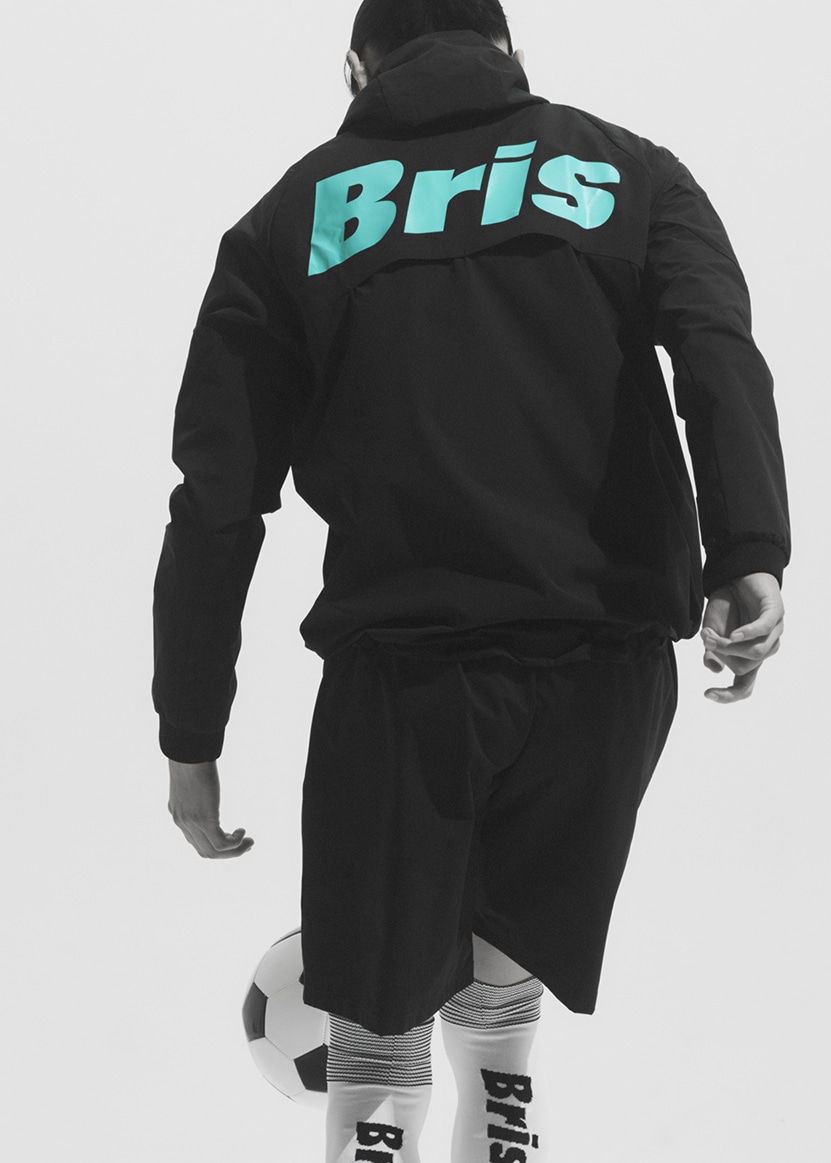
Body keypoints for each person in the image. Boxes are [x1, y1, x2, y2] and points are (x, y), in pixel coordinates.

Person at [153, 1, 790, 1159]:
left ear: (356, 70)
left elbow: (218, 496)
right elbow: (716, 346)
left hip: (409, 677)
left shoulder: (292, 218)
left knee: (377, 1030)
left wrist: (191, 729)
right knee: (501, 992)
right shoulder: (630, 173)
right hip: (606, 665)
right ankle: (503, 1112)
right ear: (511, 55)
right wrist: (749, 549)